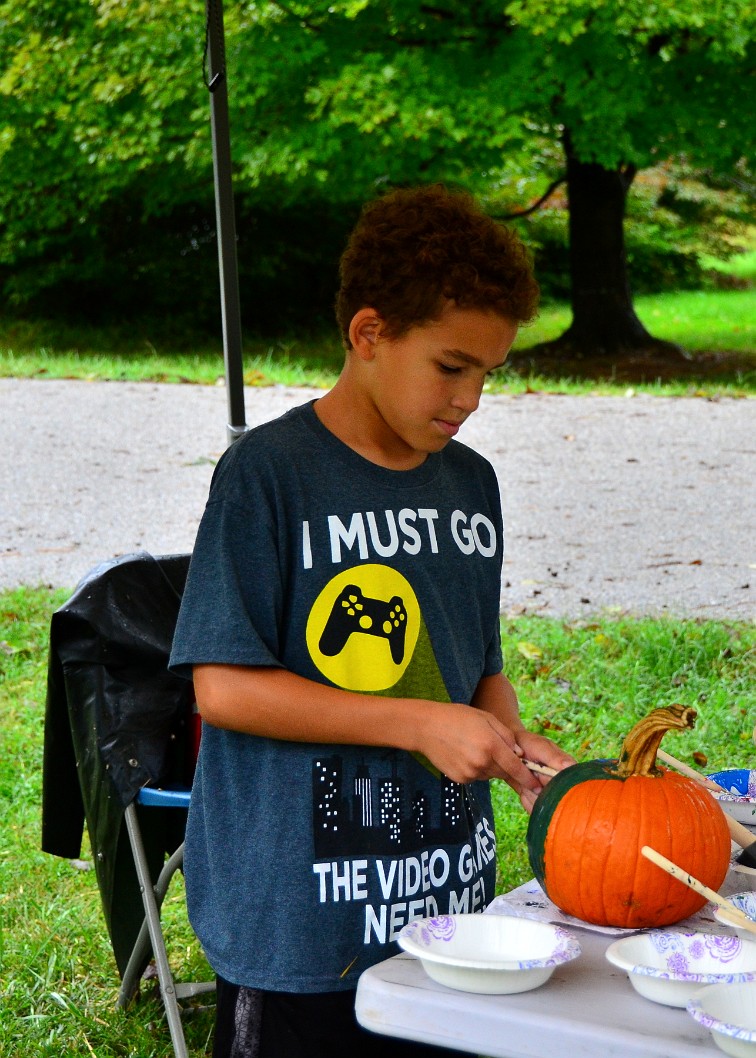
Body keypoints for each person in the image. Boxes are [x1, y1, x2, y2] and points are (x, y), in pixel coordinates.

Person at [170, 183, 575, 1058]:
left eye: (488, 374)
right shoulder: (268, 476)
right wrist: (418, 723)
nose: (470, 398)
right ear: (369, 334)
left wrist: (510, 743)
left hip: (446, 909)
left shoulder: (473, 487)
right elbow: (223, 688)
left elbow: (475, 670)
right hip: (299, 923)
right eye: (451, 365)